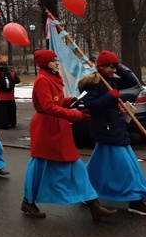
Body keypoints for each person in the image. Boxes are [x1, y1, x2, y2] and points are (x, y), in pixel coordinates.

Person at [22, 49, 117, 220]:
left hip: (57, 126)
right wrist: (76, 115)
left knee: (76, 165)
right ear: (45, 63)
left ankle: (94, 205)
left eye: (56, 59)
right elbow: (48, 106)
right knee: (39, 166)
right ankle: (27, 201)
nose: (57, 62)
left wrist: (70, 101)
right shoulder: (42, 80)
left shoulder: (51, 77)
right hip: (46, 128)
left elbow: (56, 101)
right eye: (53, 60)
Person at [78, 50, 146, 216]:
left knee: (98, 167)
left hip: (115, 129)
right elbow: (88, 104)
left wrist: (118, 68)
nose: (113, 70)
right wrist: (110, 97)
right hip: (107, 131)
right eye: (110, 67)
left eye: (115, 67)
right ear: (101, 67)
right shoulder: (94, 83)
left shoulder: (112, 80)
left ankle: (86, 190)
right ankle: (135, 200)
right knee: (128, 167)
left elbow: (130, 80)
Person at [0, 56, 21, 129]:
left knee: (1, 111)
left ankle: (2, 123)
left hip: (0, 97)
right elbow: (17, 81)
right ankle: (11, 122)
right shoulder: (12, 72)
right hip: (11, 96)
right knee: (11, 110)